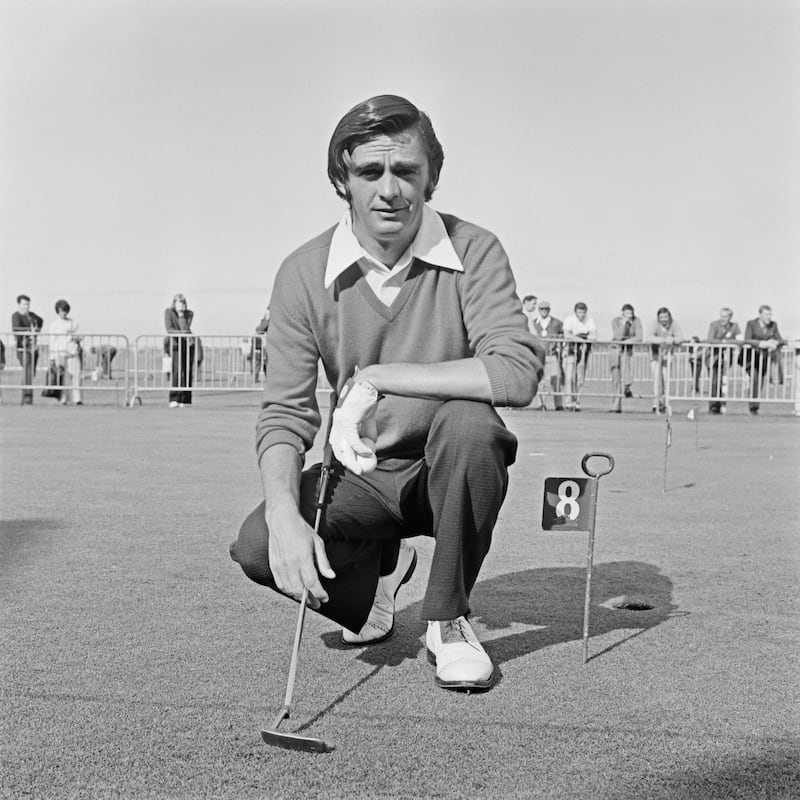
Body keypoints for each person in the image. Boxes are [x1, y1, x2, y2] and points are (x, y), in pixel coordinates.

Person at [229, 95, 544, 691]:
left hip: (445, 469)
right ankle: (381, 573)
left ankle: (447, 620)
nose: (390, 189)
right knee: (257, 544)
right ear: (342, 181)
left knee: (473, 428)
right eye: (370, 172)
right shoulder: (302, 271)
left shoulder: (474, 249)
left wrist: (379, 375)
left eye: (407, 171)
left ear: (431, 178)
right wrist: (282, 513)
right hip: (360, 475)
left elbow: (514, 372)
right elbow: (286, 413)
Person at [740, 305, 785, 415]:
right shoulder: (751, 324)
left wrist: (774, 342)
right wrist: (761, 344)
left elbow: (780, 340)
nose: (769, 317)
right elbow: (748, 339)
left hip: (763, 358)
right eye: (766, 314)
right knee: (754, 378)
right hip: (750, 357)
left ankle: (755, 404)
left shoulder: (773, 325)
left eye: (770, 314)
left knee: (760, 380)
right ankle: (753, 407)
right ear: (760, 314)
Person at [646, 307, 684, 414]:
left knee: (666, 379)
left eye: (665, 317)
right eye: (661, 317)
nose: (663, 319)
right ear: (658, 318)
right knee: (657, 379)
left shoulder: (674, 324)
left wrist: (673, 340)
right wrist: (663, 340)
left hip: (668, 356)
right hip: (655, 355)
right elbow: (648, 338)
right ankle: (656, 402)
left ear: (669, 316)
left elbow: (681, 337)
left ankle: (665, 402)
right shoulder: (653, 324)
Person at [705, 308, 741, 414]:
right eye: (721, 316)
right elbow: (710, 340)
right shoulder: (714, 325)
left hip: (726, 359)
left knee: (723, 382)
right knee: (714, 381)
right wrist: (723, 342)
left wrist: (727, 342)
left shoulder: (735, 326)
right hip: (712, 358)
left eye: (725, 316)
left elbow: (740, 340)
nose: (723, 319)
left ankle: (721, 404)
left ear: (730, 317)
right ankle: (713, 406)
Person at [561, 301, 597, 411]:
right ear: (575, 312)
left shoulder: (590, 320)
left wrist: (578, 337)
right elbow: (567, 335)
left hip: (583, 353)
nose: (582, 315)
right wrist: (582, 339)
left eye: (583, 312)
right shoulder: (569, 320)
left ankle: (577, 401)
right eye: (579, 312)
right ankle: (568, 401)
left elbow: (594, 336)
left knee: (579, 377)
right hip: (571, 351)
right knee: (569, 377)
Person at [48, 299, 83, 405]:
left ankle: (77, 399)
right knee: (62, 377)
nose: (64, 313)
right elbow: (52, 341)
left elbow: (80, 336)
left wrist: (76, 337)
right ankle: (63, 398)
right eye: (62, 310)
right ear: (58, 311)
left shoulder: (73, 323)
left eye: (65, 311)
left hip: (72, 353)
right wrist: (52, 357)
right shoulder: (54, 325)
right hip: (60, 353)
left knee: (76, 375)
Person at [609, 303, 643, 412]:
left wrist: (627, 341)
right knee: (616, 378)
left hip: (626, 350)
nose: (629, 315)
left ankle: (627, 387)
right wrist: (624, 324)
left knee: (626, 373)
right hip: (615, 349)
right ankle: (616, 406)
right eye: (627, 312)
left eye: (631, 313)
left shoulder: (636, 321)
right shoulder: (616, 321)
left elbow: (639, 337)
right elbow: (618, 336)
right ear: (622, 312)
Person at [11, 294, 44, 405]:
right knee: (27, 371)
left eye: (28, 304)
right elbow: (16, 328)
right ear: (19, 304)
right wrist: (28, 332)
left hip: (33, 348)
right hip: (23, 349)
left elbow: (40, 320)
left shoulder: (31, 315)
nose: (26, 307)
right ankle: (27, 398)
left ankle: (26, 396)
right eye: (24, 304)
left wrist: (36, 331)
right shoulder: (16, 316)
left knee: (31, 373)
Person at [531, 301, 564, 410]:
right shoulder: (534, 323)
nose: (544, 311)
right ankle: (541, 404)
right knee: (541, 381)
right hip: (539, 356)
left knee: (556, 379)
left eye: (546, 309)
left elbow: (562, 336)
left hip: (552, 355)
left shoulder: (557, 323)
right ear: (539, 310)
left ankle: (559, 404)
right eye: (542, 308)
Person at [164, 293, 195, 407]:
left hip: (189, 344)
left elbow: (186, 329)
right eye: (178, 302)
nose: (180, 304)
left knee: (187, 372)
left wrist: (181, 315)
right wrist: (182, 334)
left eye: (182, 302)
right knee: (177, 371)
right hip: (176, 344)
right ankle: (174, 398)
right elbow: (169, 329)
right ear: (174, 303)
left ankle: (186, 399)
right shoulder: (168, 312)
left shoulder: (189, 314)